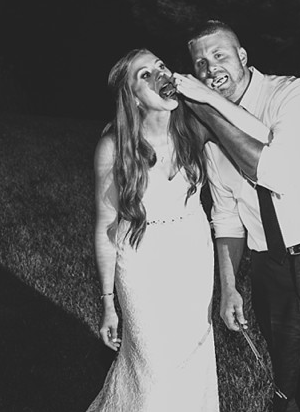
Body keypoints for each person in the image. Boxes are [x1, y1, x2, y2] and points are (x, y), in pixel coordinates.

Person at [173, 20, 300, 412]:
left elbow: (273, 170)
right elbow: (226, 215)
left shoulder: (292, 95)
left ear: (242, 56)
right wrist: (229, 287)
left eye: (219, 55)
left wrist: (210, 107)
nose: (211, 68)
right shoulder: (211, 133)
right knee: (288, 382)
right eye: (200, 63)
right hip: (271, 267)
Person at [86, 48, 219, 412]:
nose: (160, 74)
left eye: (160, 66)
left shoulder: (194, 127)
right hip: (142, 262)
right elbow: (106, 226)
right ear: (133, 98)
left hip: (193, 254)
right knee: (153, 371)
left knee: (191, 360)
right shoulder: (114, 146)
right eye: (144, 75)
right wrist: (108, 303)